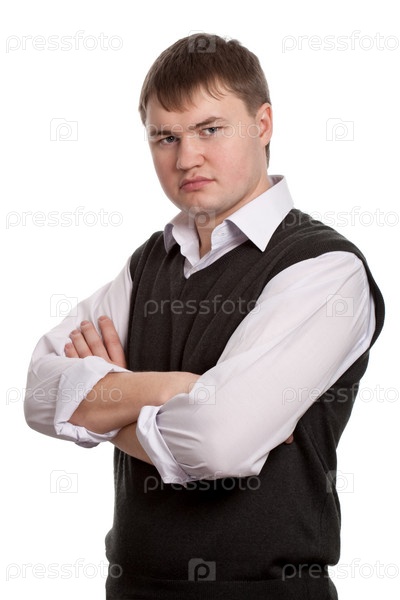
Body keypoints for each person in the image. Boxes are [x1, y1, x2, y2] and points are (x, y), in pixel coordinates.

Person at [25, 33, 385, 600]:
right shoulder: (148, 265)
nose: (185, 157)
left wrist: (100, 404)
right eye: (165, 137)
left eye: (209, 130)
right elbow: (39, 395)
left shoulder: (324, 269)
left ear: (262, 124)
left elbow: (218, 442)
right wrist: (181, 389)